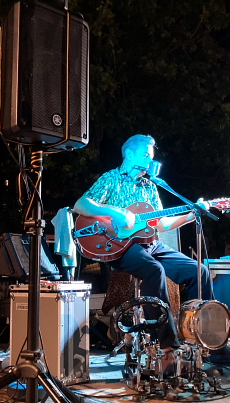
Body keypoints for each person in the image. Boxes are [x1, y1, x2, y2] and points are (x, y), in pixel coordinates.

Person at [73, 134, 214, 359]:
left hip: (151, 244)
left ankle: (204, 337)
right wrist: (115, 211)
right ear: (129, 154)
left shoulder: (150, 186)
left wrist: (191, 214)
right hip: (119, 246)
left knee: (200, 271)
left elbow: (162, 224)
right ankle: (165, 344)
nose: (150, 161)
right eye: (146, 155)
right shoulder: (111, 178)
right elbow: (81, 204)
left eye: (151, 157)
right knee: (153, 270)